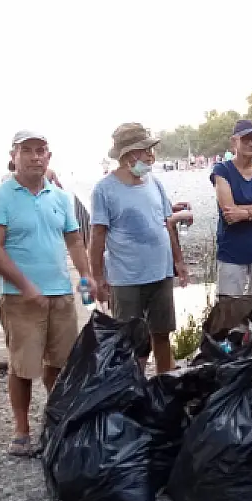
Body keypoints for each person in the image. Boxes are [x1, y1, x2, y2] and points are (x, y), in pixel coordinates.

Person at [0, 131, 93, 457]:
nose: (34, 157)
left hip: (61, 294)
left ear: (49, 156)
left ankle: (56, 421)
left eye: (40, 151)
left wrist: (86, 275)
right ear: (13, 155)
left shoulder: (61, 197)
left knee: (59, 363)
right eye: (26, 151)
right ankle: (21, 430)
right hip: (19, 297)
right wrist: (26, 286)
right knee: (22, 366)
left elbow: (74, 240)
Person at [91, 123, 189, 375]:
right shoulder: (104, 189)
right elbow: (97, 235)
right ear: (128, 155)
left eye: (151, 150)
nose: (150, 156)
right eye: (145, 150)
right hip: (126, 279)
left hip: (161, 273)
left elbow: (167, 224)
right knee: (130, 342)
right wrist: (98, 278)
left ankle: (164, 387)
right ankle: (131, 393)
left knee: (162, 334)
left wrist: (178, 262)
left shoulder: (155, 183)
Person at [210, 120, 252, 298]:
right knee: (229, 310)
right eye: (245, 139)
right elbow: (230, 213)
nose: (251, 143)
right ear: (234, 141)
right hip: (231, 251)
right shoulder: (222, 171)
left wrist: (245, 213)